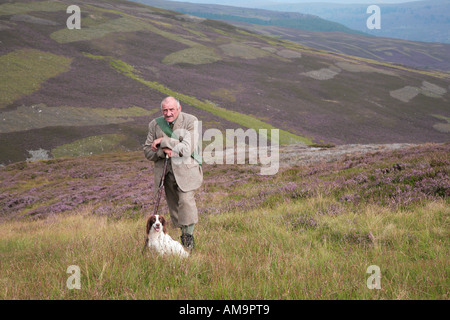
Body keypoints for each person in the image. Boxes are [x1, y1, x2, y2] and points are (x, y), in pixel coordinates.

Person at [144, 96, 203, 250]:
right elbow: (148, 153)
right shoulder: (154, 124)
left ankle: (187, 239)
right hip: (166, 174)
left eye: (171, 110)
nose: (168, 113)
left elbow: (186, 149)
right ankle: (180, 237)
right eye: (165, 110)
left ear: (179, 108)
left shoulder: (191, 121)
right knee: (175, 207)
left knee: (186, 201)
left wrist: (163, 141)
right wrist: (164, 152)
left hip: (188, 172)